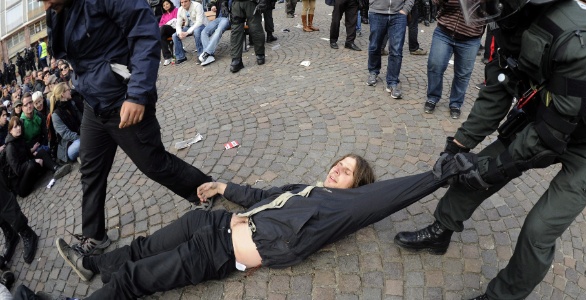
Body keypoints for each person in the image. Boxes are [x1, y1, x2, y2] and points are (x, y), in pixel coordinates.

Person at [394, 0, 586, 299]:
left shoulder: (579, 39)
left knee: (539, 230)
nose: (479, 10)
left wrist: (491, 170)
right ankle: (441, 230)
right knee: (470, 167)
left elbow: (551, 133)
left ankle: (502, 296)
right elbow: (497, 89)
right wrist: (458, 145)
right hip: (543, 118)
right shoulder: (507, 20)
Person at [56, 153, 460, 299]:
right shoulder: (305, 190)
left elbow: (381, 200)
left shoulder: (339, 210)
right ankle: (93, 266)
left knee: (134, 279)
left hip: (217, 252)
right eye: (341, 162)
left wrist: (434, 178)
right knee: (142, 248)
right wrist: (222, 186)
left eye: (349, 171)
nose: (339, 168)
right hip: (210, 223)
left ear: (357, 187)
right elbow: (260, 195)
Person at [44, 0, 214, 256]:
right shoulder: (57, 9)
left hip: (123, 96)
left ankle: (207, 191)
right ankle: (95, 237)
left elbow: (145, 32)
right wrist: (57, 13)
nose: (43, 3)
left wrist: (136, 95)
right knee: (90, 171)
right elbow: (66, 51)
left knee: (154, 163)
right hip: (93, 103)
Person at [422, 0, 484, 119]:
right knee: (435, 65)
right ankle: (432, 97)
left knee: (463, 74)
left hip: (471, 37)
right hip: (444, 31)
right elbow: (435, 2)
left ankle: (456, 103)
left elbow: (493, 11)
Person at [4, 116, 71, 197]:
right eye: (15, 127)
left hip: (27, 170)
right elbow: (17, 170)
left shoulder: (20, 138)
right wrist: (33, 161)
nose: (19, 128)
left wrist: (34, 155)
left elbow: (28, 155)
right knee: (32, 165)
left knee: (41, 152)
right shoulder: (10, 147)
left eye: (19, 125)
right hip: (21, 184)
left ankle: (56, 168)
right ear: (10, 130)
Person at [365, 0, 412, 99]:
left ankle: (393, 82)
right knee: (375, 45)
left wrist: (406, 9)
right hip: (377, 12)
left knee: (396, 49)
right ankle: (373, 71)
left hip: (399, 14)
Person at [229, 0, 266, 73]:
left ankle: (260, 54)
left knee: (255, 28)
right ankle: (236, 59)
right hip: (238, 4)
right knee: (236, 31)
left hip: (250, 3)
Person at [48, 83, 81, 163]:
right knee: (80, 144)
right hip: (69, 145)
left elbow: (81, 119)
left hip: (80, 134)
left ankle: (82, 153)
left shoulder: (71, 104)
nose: (70, 91)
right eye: (68, 90)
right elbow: (66, 134)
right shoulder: (56, 115)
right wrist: (81, 137)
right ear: (63, 94)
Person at [198, 0, 231, 66]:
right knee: (204, 32)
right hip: (218, 18)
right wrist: (213, 5)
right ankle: (210, 56)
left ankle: (207, 53)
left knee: (218, 30)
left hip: (227, 18)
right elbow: (212, 2)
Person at [173, 0, 205, 65]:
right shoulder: (180, 9)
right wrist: (179, 33)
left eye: (185, 1)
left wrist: (187, 32)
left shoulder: (197, 5)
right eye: (182, 2)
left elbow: (199, 22)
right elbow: (178, 24)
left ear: (190, 1)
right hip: (188, 26)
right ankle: (181, 57)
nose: (183, 4)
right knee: (175, 35)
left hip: (201, 25)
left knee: (196, 31)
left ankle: (201, 55)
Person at [158, 0, 178, 66]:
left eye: (167, 4)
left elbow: (176, 20)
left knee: (163, 28)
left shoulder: (176, 10)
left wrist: (167, 24)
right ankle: (167, 57)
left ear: (170, 4)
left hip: (175, 29)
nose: (166, 6)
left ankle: (168, 55)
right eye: (164, 5)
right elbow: (160, 24)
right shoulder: (164, 15)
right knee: (162, 36)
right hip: (166, 32)